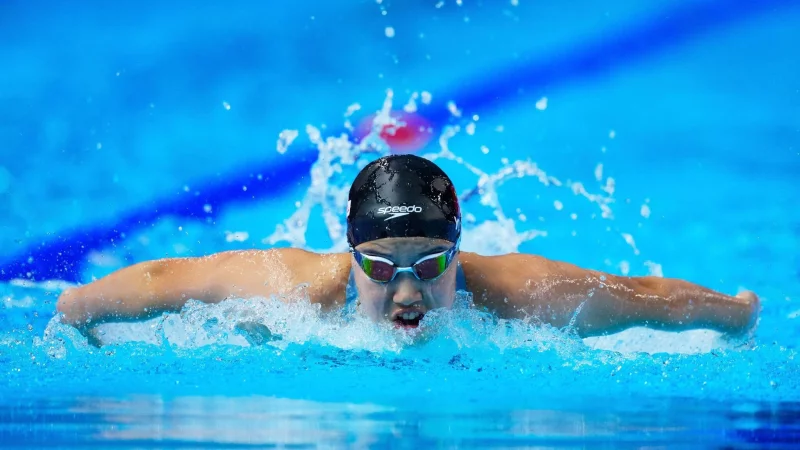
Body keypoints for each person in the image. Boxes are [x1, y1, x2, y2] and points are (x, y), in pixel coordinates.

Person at [56, 154, 759, 341]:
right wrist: (80, 303)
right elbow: (169, 279)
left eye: (429, 265)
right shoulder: (295, 288)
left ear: (459, 252)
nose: (407, 292)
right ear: (350, 253)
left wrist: (734, 313)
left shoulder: (523, 294)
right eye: (381, 267)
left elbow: (644, 298)